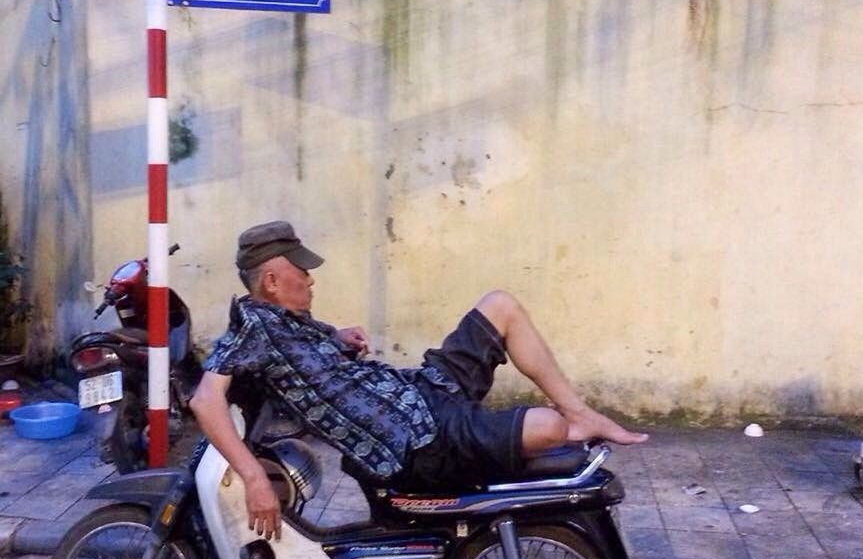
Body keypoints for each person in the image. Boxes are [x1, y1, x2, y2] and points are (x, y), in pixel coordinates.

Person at [190, 220, 649, 541]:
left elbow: (306, 356)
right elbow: (206, 401)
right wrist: (253, 478)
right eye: (302, 272)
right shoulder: (255, 328)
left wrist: (336, 336)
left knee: (501, 304)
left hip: (424, 391)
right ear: (271, 281)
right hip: (418, 444)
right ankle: (565, 421)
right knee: (548, 428)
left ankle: (581, 412)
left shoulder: (289, 321)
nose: (311, 280)